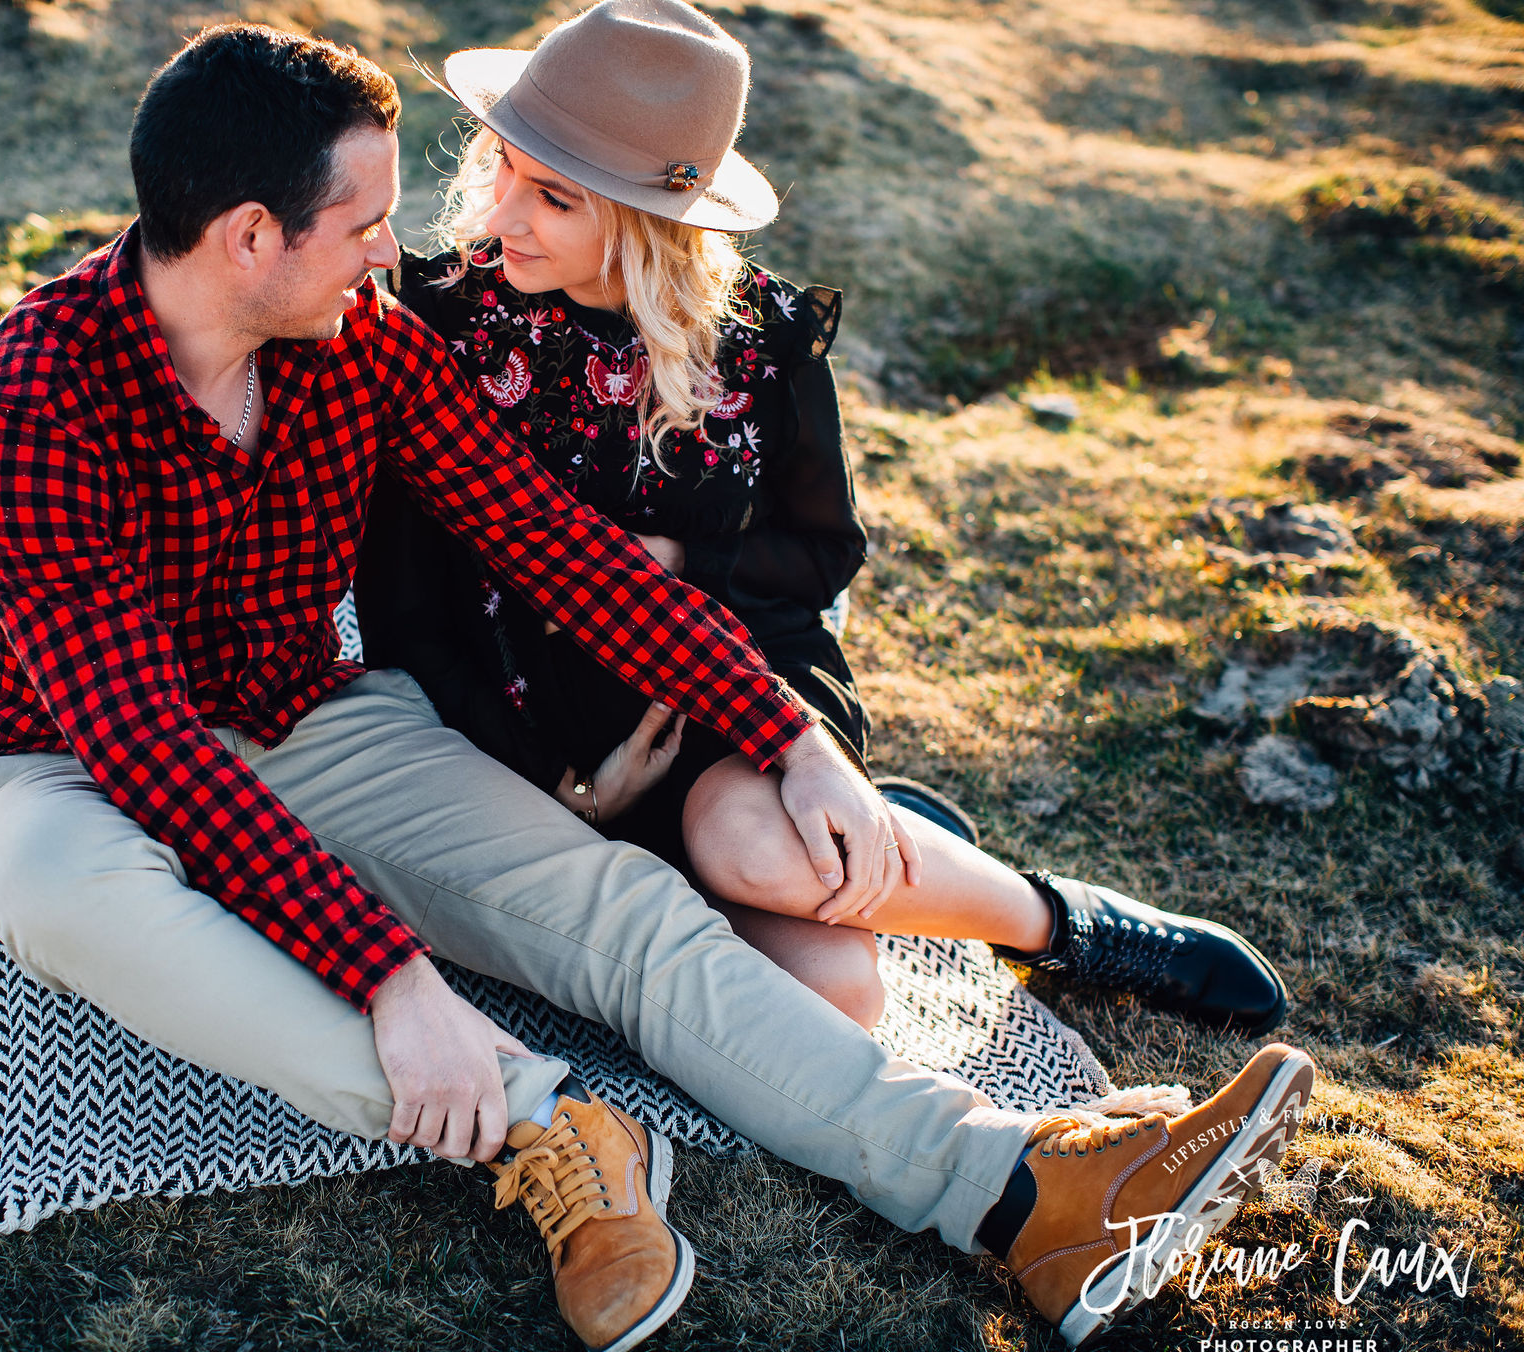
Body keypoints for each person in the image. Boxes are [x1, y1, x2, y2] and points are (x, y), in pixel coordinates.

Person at [0, 10, 1316, 1352]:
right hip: (78, 762)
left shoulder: (365, 342)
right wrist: (390, 975)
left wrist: (787, 734)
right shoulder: (27, 402)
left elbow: (566, 556)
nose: (395, 252)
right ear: (252, 236)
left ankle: (1017, 1189)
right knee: (46, 890)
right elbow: (142, 743)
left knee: (634, 918)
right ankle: (551, 1125)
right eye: (364, 225)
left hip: (311, 713)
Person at [354, 7, 1291, 1039]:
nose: (502, 218)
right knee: (829, 1001)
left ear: (641, 217)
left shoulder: (760, 343)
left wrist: (683, 554)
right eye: (505, 169)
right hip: (524, 717)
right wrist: (563, 792)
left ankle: (1055, 921)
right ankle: (886, 842)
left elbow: (819, 554)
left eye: (553, 198)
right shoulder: (435, 321)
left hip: (734, 707)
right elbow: (399, 601)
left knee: (806, 948)